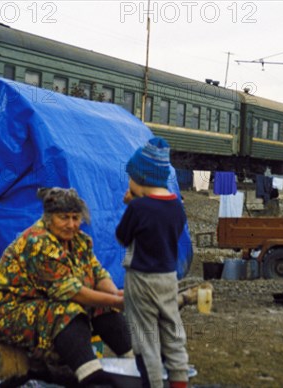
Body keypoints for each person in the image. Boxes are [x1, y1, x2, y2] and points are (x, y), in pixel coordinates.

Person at [0, 187, 131, 387]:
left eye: (75, 218)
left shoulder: (79, 241)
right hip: (5, 312)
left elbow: (96, 272)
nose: (71, 224)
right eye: (64, 218)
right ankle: (91, 376)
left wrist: (115, 294)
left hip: (40, 302)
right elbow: (70, 291)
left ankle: (134, 364)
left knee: (103, 305)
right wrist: (119, 301)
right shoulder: (38, 242)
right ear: (49, 218)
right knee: (65, 310)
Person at [115, 137, 189, 388]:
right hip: (168, 278)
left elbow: (122, 237)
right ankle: (179, 381)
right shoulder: (177, 207)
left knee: (146, 340)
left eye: (130, 177)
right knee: (173, 333)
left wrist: (131, 204)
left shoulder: (138, 208)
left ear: (140, 179)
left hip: (141, 279)